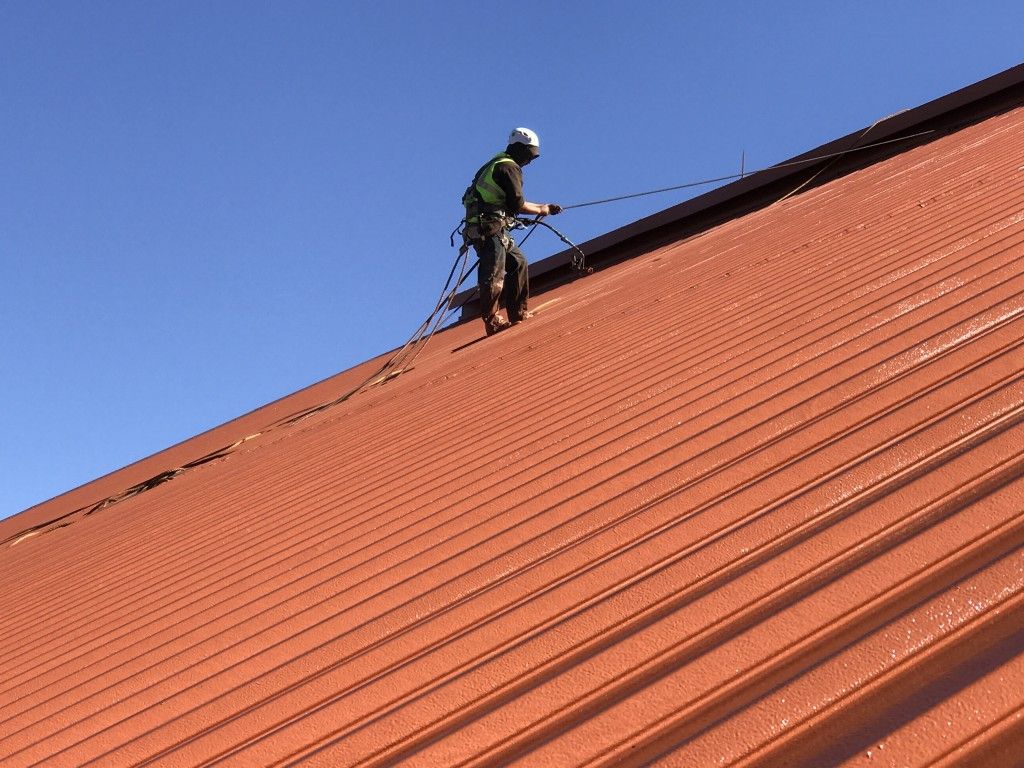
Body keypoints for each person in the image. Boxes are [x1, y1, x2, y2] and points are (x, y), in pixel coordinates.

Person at [462, 127, 562, 335]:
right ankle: (493, 321)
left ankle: (518, 313)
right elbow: (517, 204)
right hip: (490, 227)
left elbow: (508, 202)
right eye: (529, 155)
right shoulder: (508, 167)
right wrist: (542, 209)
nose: (529, 161)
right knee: (494, 273)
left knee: (518, 262)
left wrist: (543, 208)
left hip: (487, 225)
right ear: (518, 148)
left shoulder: (494, 164)